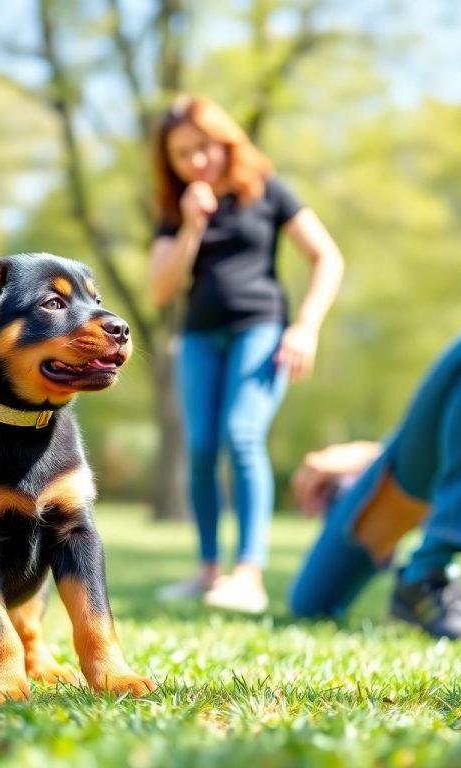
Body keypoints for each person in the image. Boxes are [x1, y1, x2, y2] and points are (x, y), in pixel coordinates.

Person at [149, 94, 344, 613]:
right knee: (202, 447)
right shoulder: (176, 210)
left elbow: (327, 256)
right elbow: (161, 289)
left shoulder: (268, 192)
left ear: (226, 141)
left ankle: (249, 574)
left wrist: (306, 327)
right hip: (198, 339)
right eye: (181, 153)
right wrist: (191, 225)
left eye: (203, 147)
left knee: (242, 434)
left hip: (261, 330)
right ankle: (209, 569)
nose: (195, 161)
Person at [289, 316, 461, 647]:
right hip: (398, 485)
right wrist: (367, 456)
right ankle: (348, 496)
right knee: (310, 605)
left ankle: (427, 572)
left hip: (426, 496)